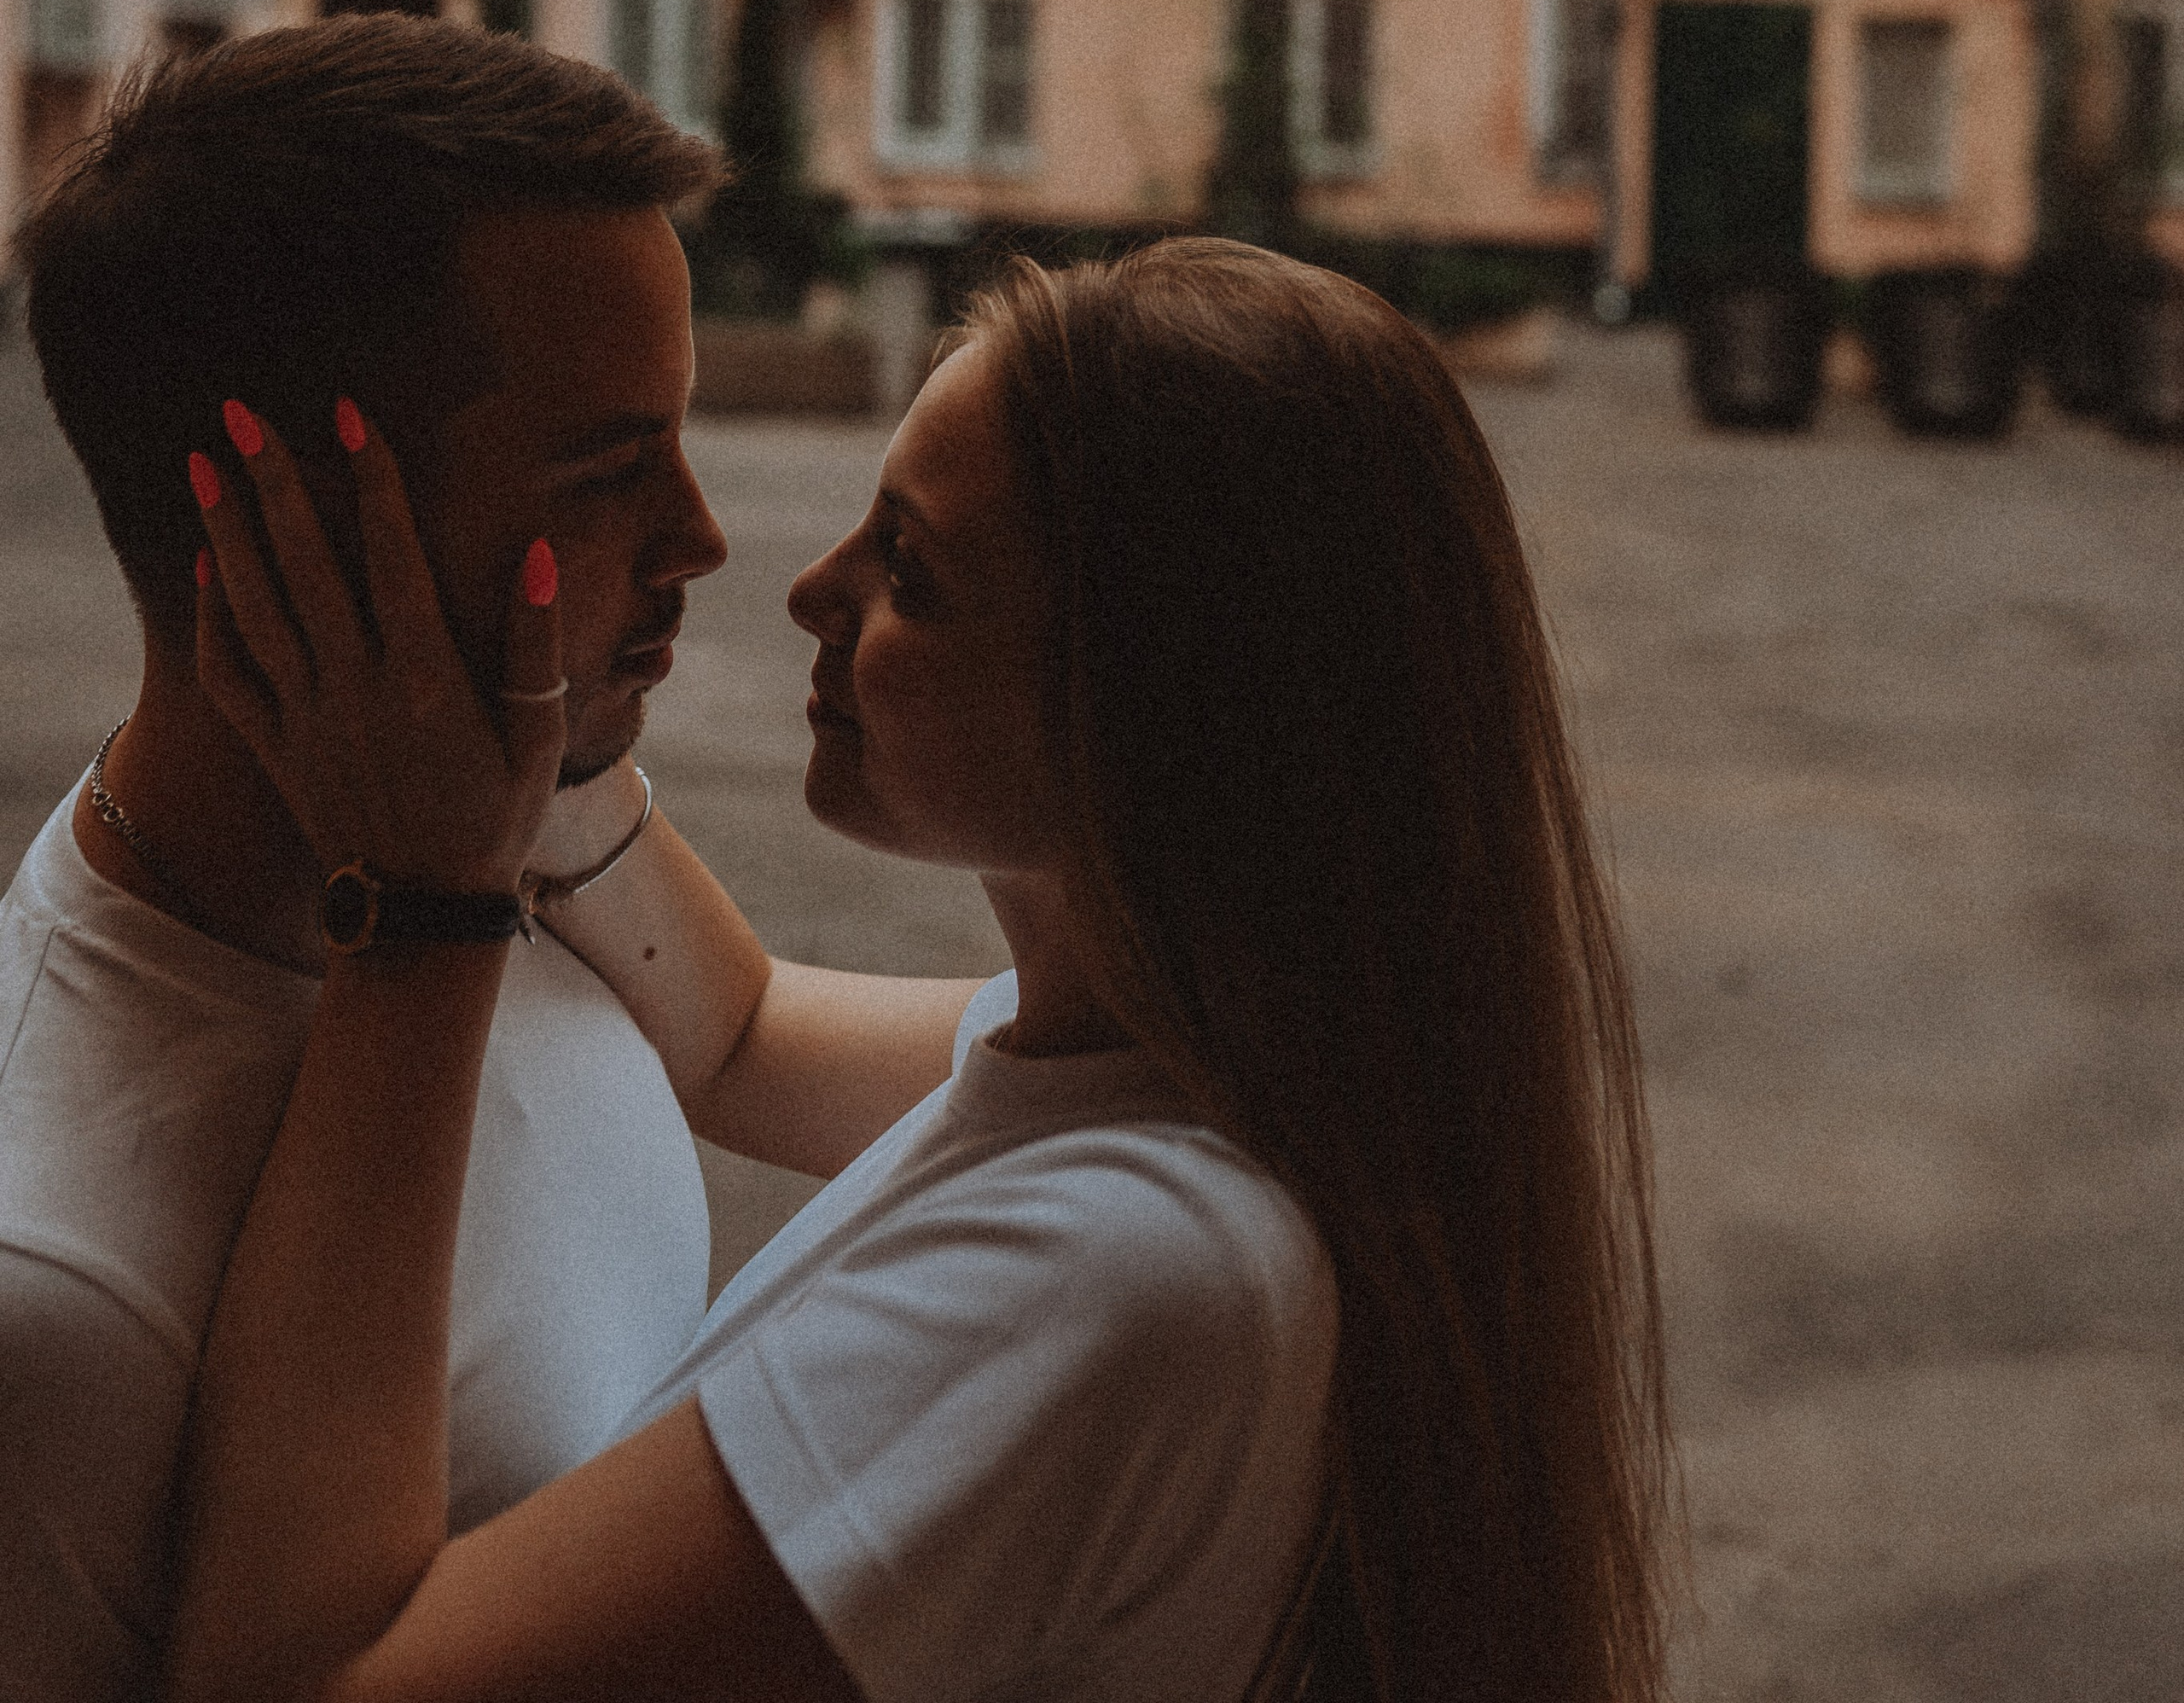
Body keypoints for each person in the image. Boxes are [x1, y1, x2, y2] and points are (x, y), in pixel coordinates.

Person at [163, 235, 1673, 1703]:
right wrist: (507, 700)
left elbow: (301, 1684)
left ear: (1159, 717)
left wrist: (420, 910)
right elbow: (741, 1035)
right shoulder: (1201, 1065)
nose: (813, 589)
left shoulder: (1122, 1275)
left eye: (915, 572)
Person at [0, 15, 741, 1702]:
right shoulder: (50, 1291)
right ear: (298, 524)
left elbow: (761, 1037)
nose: (704, 540)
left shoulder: (507, 799)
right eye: (613, 471)